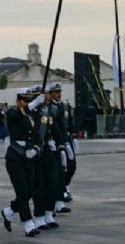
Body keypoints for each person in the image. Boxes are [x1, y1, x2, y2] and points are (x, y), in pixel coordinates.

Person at [0, 88, 45, 238]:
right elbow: (15, 115)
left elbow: (39, 136)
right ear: (18, 101)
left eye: (29, 100)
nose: (27, 103)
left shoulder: (32, 116)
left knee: (31, 190)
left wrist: (36, 149)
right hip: (15, 158)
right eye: (25, 100)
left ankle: (10, 210)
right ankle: (28, 224)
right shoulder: (12, 112)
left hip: (28, 157)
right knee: (22, 191)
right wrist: (32, 104)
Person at [31, 85, 61, 231]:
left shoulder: (49, 111)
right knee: (40, 187)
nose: (48, 97)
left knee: (54, 182)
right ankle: (39, 217)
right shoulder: (32, 111)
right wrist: (35, 104)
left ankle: (49, 213)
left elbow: (55, 128)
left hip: (48, 151)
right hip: (36, 153)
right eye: (45, 95)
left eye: (49, 94)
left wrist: (61, 144)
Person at [48, 83, 74, 212]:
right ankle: (58, 200)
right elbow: (55, 127)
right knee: (57, 173)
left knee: (70, 167)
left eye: (59, 92)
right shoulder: (50, 107)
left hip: (64, 139)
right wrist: (60, 143)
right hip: (56, 142)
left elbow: (67, 123)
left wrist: (71, 137)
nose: (58, 94)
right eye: (56, 92)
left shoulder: (63, 106)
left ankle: (62, 193)